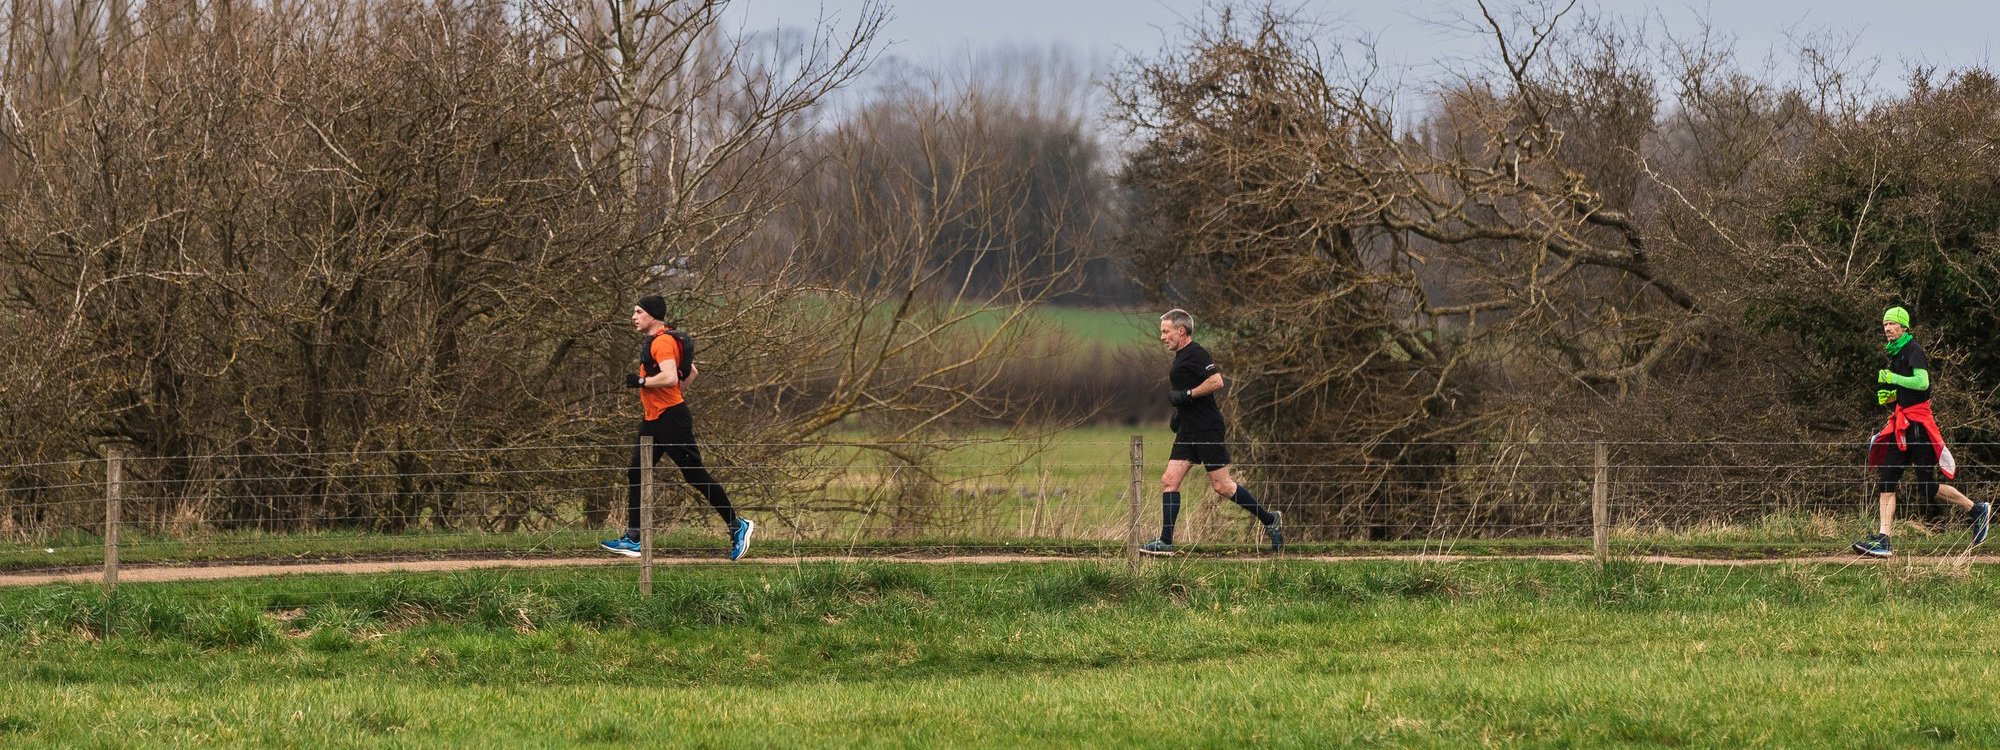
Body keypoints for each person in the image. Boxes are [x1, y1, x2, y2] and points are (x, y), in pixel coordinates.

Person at [601, 295, 755, 560]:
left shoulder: (662, 341)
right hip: (654, 418)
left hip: (671, 419)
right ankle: (634, 538)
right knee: (636, 473)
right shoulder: (663, 340)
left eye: (638, 312)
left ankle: (737, 525)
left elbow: (671, 376)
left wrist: (642, 382)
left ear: (651, 315)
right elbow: (691, 372)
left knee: (694, 475)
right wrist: (672, 394)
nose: (634, 317)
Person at [1139, 309, 1282, 556]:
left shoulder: (1196, 353)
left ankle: (1270, 521)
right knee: (1169, 481)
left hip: (1207, 428)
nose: (1162, 337)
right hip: (1188, 430)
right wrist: (1180, 414)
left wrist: (1186, 395)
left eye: (1165, 331)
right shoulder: (1181, 357)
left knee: (1222, 486)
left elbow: (1217, 382)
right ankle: (1165, 541)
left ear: (1180, 331)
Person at [1856, 305, 1990, 558]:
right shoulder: (1896, 354)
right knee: (1887, 479)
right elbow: (1911, 390)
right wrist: (1892, 398)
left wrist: (1893, 380)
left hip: (1918, 427)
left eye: (1892, 324)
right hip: (1902, 425)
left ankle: (1976, 510)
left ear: (1904, 326)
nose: (1887, 328)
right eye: (1884, 324)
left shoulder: (1913, 349)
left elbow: (1922, 382)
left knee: (1927, 487)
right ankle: (1884, 539)